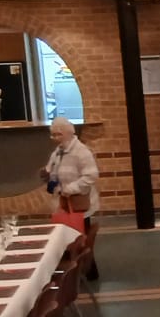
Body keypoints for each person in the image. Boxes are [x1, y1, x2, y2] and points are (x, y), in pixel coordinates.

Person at [42, 117, 101, 279]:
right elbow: (52, 169)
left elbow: (91, 176)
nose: (55, 138)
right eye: (53, 135)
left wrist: (70, 188)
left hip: (80, 203)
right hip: (64, 202)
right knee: (68, 240)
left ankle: (87, 272)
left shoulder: (81, 152)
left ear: (69, 133)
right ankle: (77, 273)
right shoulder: (58, 151)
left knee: (81, 241)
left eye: (58, 134)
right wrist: (47, 175)